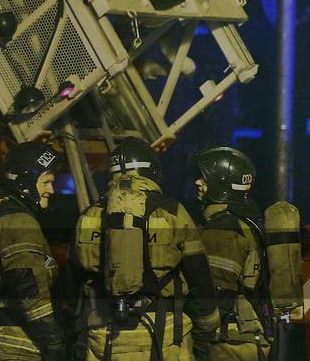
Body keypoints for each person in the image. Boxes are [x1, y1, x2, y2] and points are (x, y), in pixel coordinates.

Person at [65, 138, 220, 360]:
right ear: (153, 171)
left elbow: (71, 283)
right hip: (164, 336)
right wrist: (205, 334)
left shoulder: (89, 216)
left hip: (103, 335)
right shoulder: (173, 213)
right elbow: (199, 277)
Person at [0, 141, 65, 361]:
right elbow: (28, 288)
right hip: (21, 343)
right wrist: (53, 341)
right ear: (26, 182)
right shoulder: (18, 222)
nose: (51, 190)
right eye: (46, 182)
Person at [193, 147, 270, 361]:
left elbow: (216, 293)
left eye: (204, 178)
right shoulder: (244, 218)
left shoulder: (223, 230)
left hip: (228, 343)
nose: (197, 182)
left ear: (221, 184)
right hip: (244, 338)